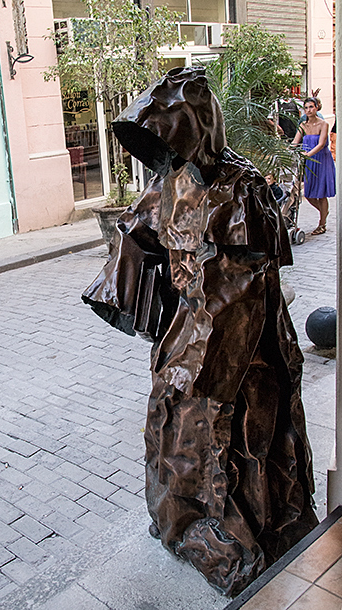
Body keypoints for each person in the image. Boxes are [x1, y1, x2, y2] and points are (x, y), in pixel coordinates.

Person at [82, 68, 317, 597]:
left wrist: (201, 353)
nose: (163, 152)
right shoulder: (174, 180)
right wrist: (129, 274)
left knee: (238, 434)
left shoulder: (242, 187)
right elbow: (139, 228)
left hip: (240, 341)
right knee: (174, 426)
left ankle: (238, 534)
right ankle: (183, 525)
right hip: (190, 331)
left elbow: (247, 284)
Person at [291, 97, 336, 235]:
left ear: (316, 107)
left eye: (311, 107)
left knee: (321, 194)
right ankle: (324, 212)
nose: (308, 110)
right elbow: (295, 142)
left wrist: (308, 154)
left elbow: (321, 144)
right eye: (306, 108)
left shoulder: (323, 124)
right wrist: (288, 150)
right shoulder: (303, 125)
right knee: (309, 194)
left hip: (321, 159)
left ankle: (322, 224)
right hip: (308, 161)